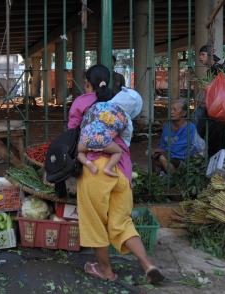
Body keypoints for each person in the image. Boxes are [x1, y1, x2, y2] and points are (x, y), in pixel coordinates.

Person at [68, 64, 165, 284]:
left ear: (87, 82)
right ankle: (147, 264)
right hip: (122, 170)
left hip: (96, 171)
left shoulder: (83, 103)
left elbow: (72, 134)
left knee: (95, 223)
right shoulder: (122, 108)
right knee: (122, 222)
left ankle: (106, 271)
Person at [77, 86, 142, 177]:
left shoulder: (98, 105)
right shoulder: (125, 116)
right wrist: (126, 144)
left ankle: (87, 163)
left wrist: (86, 133)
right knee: (118, 152)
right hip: (103, 142)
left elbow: (84, 121)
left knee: (80, 152)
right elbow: (127, 135)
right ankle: (108, 168)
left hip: (85, 139)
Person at [150, 99, 205, 174]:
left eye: (175, 110)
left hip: (188, 159)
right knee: (155, 155)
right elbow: (163, 144)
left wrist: (162, 152)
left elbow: (179, 150)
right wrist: (160, 151)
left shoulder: (189, 127)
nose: (171, 112)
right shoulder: (168, 126)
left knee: (161, 157)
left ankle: (174, 179)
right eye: (170, 109)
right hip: (173, 155)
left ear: (184, 113)